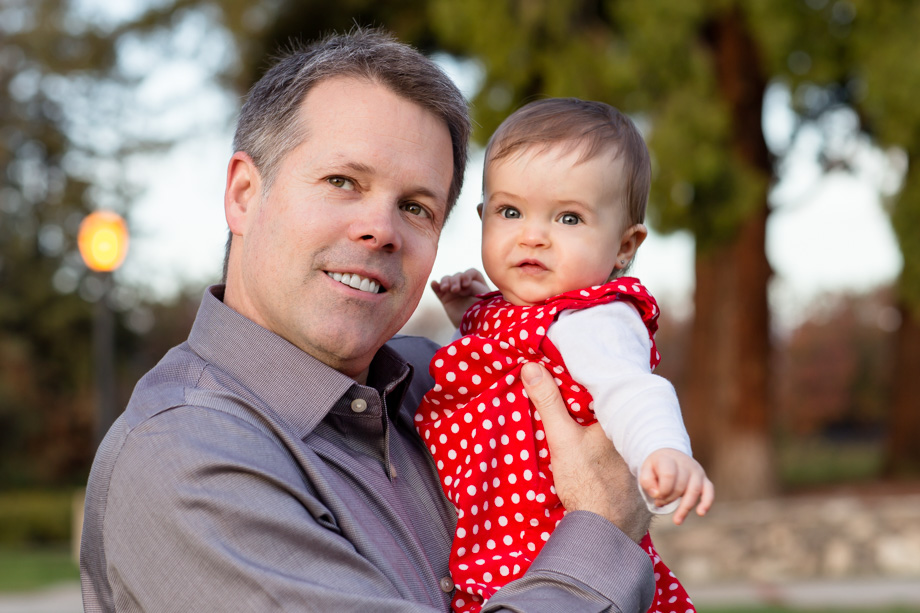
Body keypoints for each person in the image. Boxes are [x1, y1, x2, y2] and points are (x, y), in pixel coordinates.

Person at [79, 29, 658, 612]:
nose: (381, 229)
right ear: (244, 195)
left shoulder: (449, 386)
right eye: (342, 182)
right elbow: (599, 512)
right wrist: (602, 532)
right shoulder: (186, 455)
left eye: (415, 207)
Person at [415, 98, 715, 613]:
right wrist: (468, 308)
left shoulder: (594, 318)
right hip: (501, 537)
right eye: (510, 212)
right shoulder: (512, 312)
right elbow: (500, 356)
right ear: (484, 217)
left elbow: (633, 390)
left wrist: (662, 452)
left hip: (551, 535)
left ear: (625, 245)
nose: (533, 235)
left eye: (569, 218)